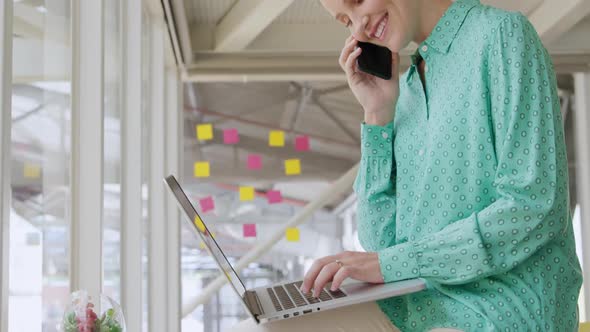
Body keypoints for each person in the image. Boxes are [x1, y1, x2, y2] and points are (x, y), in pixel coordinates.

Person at [229, 0, 583, 331]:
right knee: (260, 328)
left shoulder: (502, 36)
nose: (359, 27)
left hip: (499, 309)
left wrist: (387, 265)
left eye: (356, 1)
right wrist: (377, 113)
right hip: (415, 306)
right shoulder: (408, 89)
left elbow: (533, 208)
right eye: (346, 22)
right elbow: (380, 240)